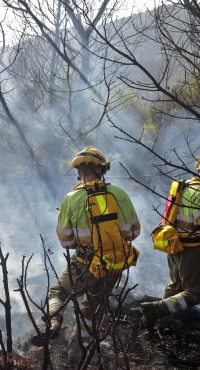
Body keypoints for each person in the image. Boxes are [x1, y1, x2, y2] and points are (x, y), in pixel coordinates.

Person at [30, 147, 141, 347]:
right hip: (114, 263)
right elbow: (134, 231)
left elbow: (65, 240)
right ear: (102, 169)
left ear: (80, 172)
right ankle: (77, 348)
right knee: (93, 305)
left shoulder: (72, 198)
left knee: (57, 294)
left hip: (85, 262)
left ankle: (54, 322)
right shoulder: (120, 193)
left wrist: (83, 245)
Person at [141, 156, 200, 327]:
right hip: (192, 249)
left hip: (174, 243)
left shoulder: (185, 186)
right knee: (197, 293)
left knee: (175, 285)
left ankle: (164, 321)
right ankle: (156, 309)